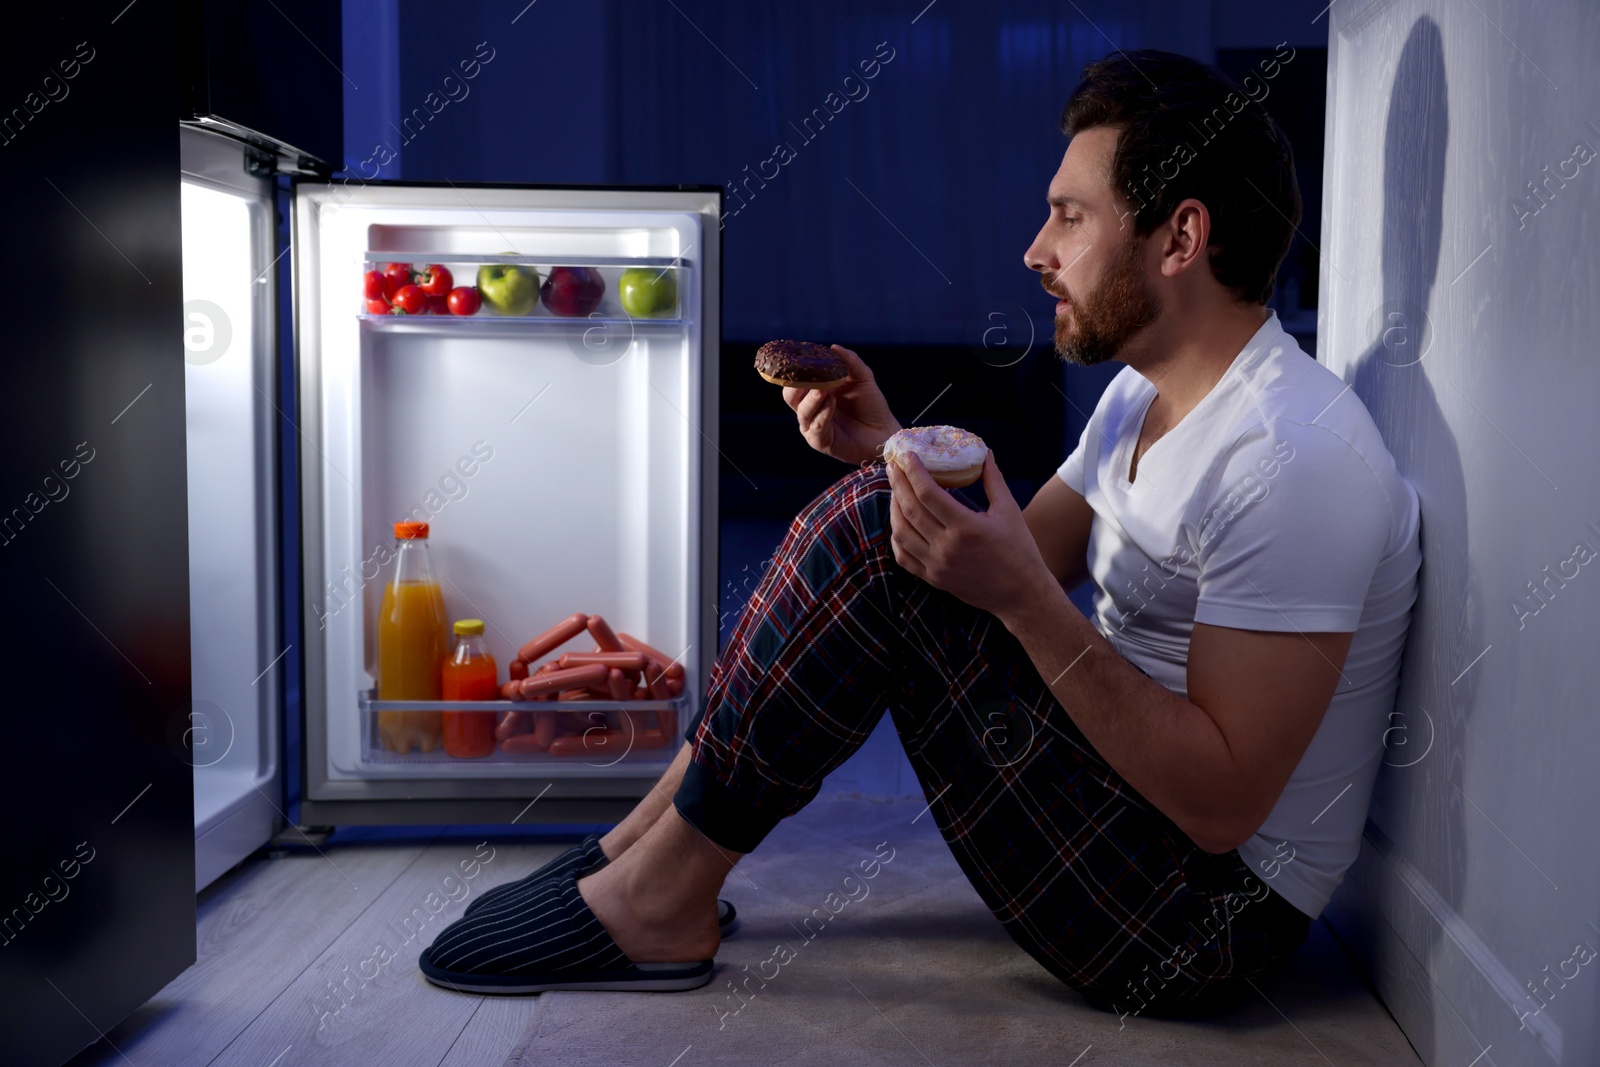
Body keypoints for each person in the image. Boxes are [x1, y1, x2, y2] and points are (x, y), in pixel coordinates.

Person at [419, 47, 1422, 1019]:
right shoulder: (1137, 397)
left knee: (872, 530)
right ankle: (638, 847)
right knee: (883, 518)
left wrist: (1006, 585)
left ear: (1178, 237)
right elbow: (993, 559)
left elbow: (1221, 803)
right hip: (1127, 816)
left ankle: (657, 896)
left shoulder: (1297, 456)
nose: (1037, 251)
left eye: (1070, 217)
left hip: (1200, 920)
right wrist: (891, 445)